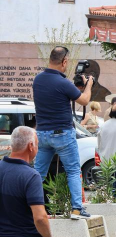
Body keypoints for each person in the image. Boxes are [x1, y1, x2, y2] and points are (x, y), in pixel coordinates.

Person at [32, 46, 94, 220]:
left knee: (38, 173)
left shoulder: (38, 80)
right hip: (62, 134)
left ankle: (30, 207)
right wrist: (88, 85)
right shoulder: (63, 83)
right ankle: (76, 209)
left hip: (42, 134)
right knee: (73, 170)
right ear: (64, 61)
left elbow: (57, 94)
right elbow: (84, 100)